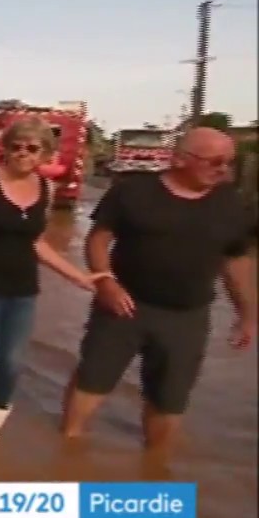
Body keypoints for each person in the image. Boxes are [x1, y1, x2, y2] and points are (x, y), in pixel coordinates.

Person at [62, 126, 256, 457]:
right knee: (92, 379)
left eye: (229, 162)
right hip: (122, 307)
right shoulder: (133, 191)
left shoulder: (231, 204)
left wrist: (248, 315)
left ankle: (153, 470)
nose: (224, 169)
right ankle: (67, 449)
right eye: (215, 161)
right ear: (181, 159)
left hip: (187, 317)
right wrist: (105, 282)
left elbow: (236, 261)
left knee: (170, 397)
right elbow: (99, 238)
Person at [0, 118, 103, 449]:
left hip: (23, 291)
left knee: (12, 365)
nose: (22, 153)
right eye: (15, 146)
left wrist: (79, 276)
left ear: (44, 153)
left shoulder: (45, 189)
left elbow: (37, 243)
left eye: (32, 148)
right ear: (5, 149)